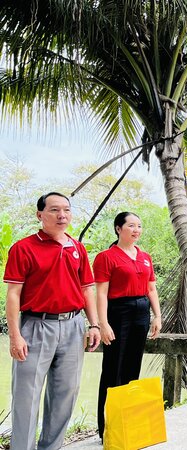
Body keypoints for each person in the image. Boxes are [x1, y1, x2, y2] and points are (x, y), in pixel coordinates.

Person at [3, 192, 101, 450]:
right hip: (36, 326)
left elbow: (87, 290)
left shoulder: (77, 248)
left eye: (66, 210)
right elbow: (13, 295)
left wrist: (94, 324)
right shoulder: (23, 248)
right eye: (55, 210)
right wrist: (15, 336)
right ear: (40, 215)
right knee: (27, 396)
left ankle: (51, 447)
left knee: (65, 394)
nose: (62, 215)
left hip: (73, 326)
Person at [94, 211, 163, 438]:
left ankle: (129, 423)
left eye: (139, 226)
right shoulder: (106, 257)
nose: (136, 230)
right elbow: (101, 293)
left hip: (141, 311)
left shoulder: (145, 256)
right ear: (118, 229)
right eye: (131, 225)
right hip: (117, 312)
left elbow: (151, 288)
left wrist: (157, 316)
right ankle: (107, 428)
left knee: (133, 367)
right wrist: (102, 323)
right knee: (113, 369)